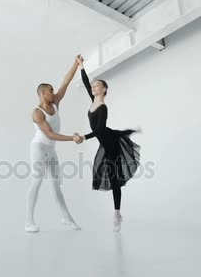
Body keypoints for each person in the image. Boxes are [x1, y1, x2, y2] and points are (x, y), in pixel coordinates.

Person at [74, 55, 141, 232]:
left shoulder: (103, 107)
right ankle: (130, 131)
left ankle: (117, 213)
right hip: (106, 139)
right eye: (93, 85)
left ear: (104, 90)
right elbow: (86, 80)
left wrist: (83, 137)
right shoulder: (92, 100)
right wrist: (81, 66)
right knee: (117, 133)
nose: (93, 87)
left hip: (111, 145)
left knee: (114, 180)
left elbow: (99, 131)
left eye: (97, 85)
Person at [25, 56, 83, 233]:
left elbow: (65, 82)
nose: (54, 92)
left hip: (51, 150)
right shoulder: (37, 112)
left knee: (56, 184)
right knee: (36, 181)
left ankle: (66, 218)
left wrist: (76, 63)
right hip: (39, 148)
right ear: (43, 93)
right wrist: (72, 138)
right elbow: (49, 134)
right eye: (50, 90)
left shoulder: (55, 102)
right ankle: (29, 222)